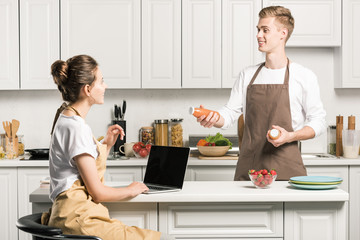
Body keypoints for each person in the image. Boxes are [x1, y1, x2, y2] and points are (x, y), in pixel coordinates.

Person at [42, 55, 170, 240]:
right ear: (87, 89)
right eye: (101, 81)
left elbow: (80, 170)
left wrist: (106, 145)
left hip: (69, 215)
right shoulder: (77, 127)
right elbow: (98, 193)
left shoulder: (65, 117)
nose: (105, 86)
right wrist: (131, 189)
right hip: (78, 219)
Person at [195, 6, 326, 181]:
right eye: (258, 30)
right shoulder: (247, 75)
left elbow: (319, 121)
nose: (258, 35)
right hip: (250, 171)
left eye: (265, 30)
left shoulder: (304, 76)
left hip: (287, 171)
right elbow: (229, 114)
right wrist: (212, 117)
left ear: (283, 33)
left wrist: (291, 136)